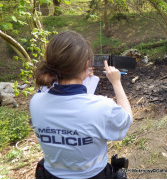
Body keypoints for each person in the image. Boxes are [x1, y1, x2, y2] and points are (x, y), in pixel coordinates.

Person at [30, 31, 133, 179]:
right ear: (86, 64)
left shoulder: (36, 102)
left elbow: (67, 103)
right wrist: (116, 83)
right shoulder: (102, 107)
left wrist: (80, 76)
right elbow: (127, 119)